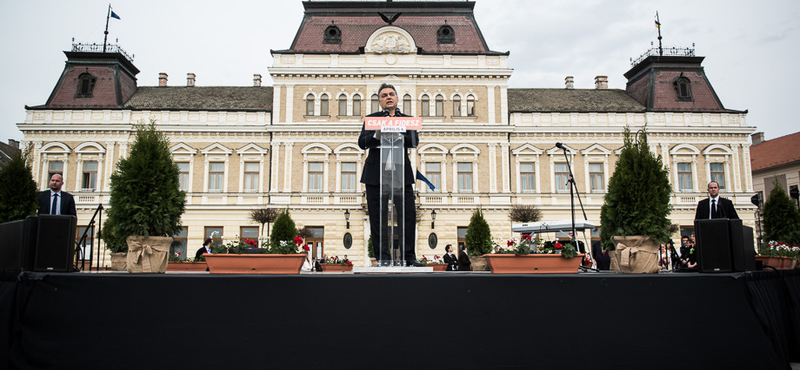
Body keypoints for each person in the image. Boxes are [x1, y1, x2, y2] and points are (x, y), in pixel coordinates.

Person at [358, 83, 422, 267]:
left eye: (391, 94)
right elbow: (362, 142)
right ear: (379, 101)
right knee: (377, 218)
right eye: (384, 95)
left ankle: (409, 257)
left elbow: (414, 141)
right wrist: (377, 134)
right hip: (375, 176)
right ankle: (383, 258)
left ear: (397, 98)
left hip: (401, 175)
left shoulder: (407, 120)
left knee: (408, 216)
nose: (388, 97)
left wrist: (397, 129)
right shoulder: (372, 119)